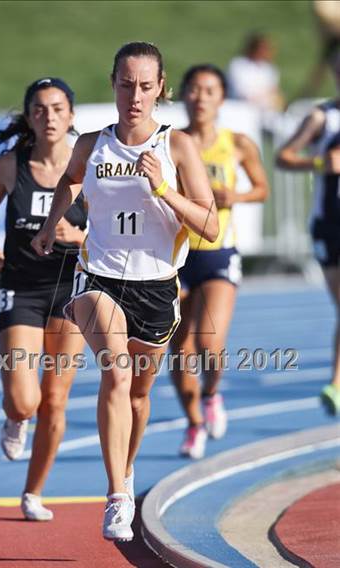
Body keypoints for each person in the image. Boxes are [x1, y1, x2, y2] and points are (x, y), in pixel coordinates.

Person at [31, 42, 219, 541]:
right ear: (112, 83)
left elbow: (210, 226)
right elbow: (71, 182)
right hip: (99, 278)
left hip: (156, 287)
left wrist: (163, 189)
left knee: (138, 394)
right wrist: (53, 224)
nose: (134, 96)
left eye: (144, 86)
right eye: (125, 84)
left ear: (160, 88)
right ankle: (117, 495)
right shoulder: (92, 144)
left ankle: (127, 468)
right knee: (115, 372)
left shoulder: (176, 147)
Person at [0, 77, 87, 520]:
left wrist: (80, 236)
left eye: (58, 109)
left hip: (70, 291)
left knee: (55, 399)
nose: (50, 117)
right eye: (40, 109)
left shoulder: (87, 166)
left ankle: (33, 493)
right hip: (21, 289)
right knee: (25, 400)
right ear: (29, 117)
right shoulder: (10, 166)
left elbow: (109, 233)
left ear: (71, 115)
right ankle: (15, 418)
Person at [170, 64, 269, 459]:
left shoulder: (237, 143)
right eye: (193, 89)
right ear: (184, 96)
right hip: (176, 256)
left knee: (209, 343)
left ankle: (211, 394)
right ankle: (193, 424)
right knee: (180, 349)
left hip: (218, 253)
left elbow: (262, 188)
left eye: (209, 90)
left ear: (221, 98)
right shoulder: (172, 143)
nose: (200, 97)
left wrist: (236, 197)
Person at [276, 51, 340, 415]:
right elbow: (284, 156)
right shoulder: (323, 117)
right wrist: (320, 162)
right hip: (330, 223)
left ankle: (335, 382)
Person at [227, 32, 284, 113]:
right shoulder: (238, 65)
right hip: (241, 108)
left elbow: (274, 91)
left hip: (266, 110)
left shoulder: (269, 69)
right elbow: (242, 93)